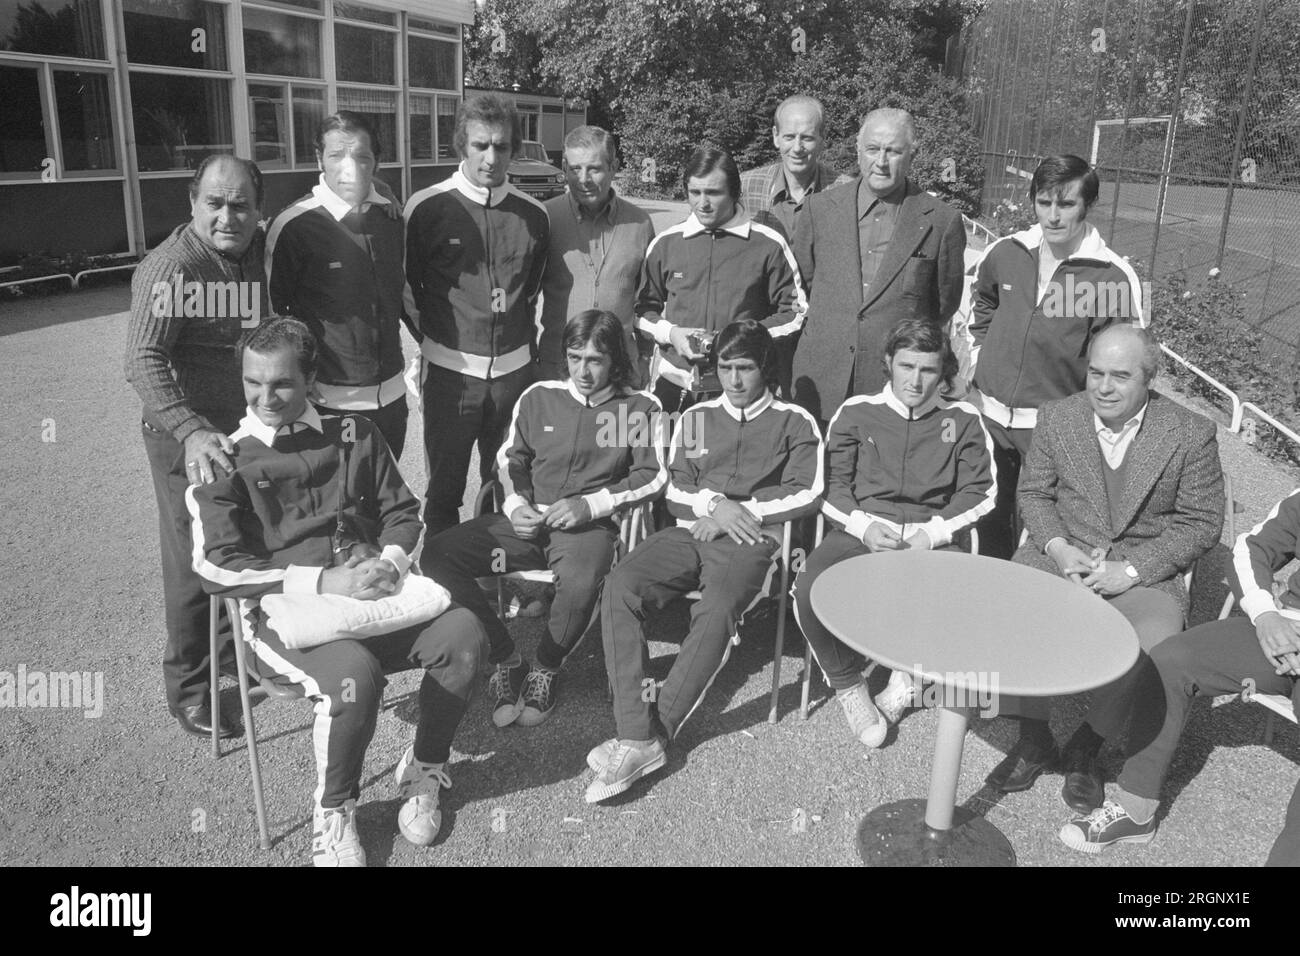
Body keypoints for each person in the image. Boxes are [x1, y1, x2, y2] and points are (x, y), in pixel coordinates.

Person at [187, 318, 488, 867]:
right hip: (283, 618)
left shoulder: (356, 433)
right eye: (253, 383)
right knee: (354, 676)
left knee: (464, 633)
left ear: (311, 379)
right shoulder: (224, 458)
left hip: (371, 599)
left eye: (280, 383)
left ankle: (423, 768)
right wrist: (324, 581)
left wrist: (390, 564)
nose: (265, 396)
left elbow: (402, 513)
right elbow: (215, 567)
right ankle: (335, 810)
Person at [584, 320, 823, 803]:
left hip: (754, 538)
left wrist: (743, 511)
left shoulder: (795, 420)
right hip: (694, 528)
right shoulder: (696, 417)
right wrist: (715, 506)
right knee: (622, 583)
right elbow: (676, 485)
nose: (734, 380)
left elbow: (809, 489)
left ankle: (659, 731)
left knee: (715, 608)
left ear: (765, 369)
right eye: (726, 368)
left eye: (746, 368)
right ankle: (635, 732)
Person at [987, 325, 1223, 815]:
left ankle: (1087, 747)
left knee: (1154, 641)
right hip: (1063, 555)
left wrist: (1132, 570)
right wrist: (1055, 546)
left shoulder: (1189, 433)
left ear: (1149, 379)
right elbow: (1034, 493)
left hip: (1143, 568)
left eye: (1120, 376)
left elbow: (1202, 523)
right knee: (1010, 606)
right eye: (1095, 372)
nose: (1103, 387)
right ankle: (1033, 739)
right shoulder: (1058, 417)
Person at [424, 311, 668, 728]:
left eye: (595, 359)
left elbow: (653, 475)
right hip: (527, 522)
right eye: (575, 358)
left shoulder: (640, 408)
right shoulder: (538, 396)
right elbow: (509, 457)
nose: (583, 371)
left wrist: (590, 505)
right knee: (437, 557)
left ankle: (545, 667)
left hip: (586, 529)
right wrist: (516, 503)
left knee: (580, 582)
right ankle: (506, 656)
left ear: (615, 360)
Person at [1058, 489, 1300, 859]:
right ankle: (1136, 811)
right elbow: (1249, 549)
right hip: (1284, 628)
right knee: (1171, 658)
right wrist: (1266, 616)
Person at [793, 319, 995, 747]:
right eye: (907, 367)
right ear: (888, 363)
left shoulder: (962, 420)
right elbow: (829, 486)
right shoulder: (856, 412)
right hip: (864, 530)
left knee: (956, 593)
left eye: (928, 370)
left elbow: (982, 492)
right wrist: (863, 526)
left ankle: (906, 680)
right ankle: (849, 685)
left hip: (931, 535)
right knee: (807, 588)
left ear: (943, 373)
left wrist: (935, 533)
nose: (916, 381)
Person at [125, 154, 270, 739]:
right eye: (215, 203)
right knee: (193, 560)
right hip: (184, 437)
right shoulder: (172, 269)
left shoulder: (256, 252)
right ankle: (188, 687)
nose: (228, 215)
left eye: (241, 204)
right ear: (192, 204)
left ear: (259, 211)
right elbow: (141, 359)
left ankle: (230, 654)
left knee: (240, 545)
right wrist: (189, 428)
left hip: (240, 433)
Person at [967, 154, 1146, 559]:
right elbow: (982, 305)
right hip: (989, 416)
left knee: (1040, 530)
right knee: (983, 515)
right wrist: (980, 359)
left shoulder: (1110, 276)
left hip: (1051, 428)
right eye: (1044, 202)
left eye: (1065, 204)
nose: (1052, 215)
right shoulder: (1006, 252)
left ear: (1087, 206)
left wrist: (1082, 418)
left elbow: (1122, 365)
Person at [405, 93, 549, 541]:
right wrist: (439, 342)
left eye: (501, 146)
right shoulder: (426, 207)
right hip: (451, 375)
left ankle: (496, 578)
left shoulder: (534, 215)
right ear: (461, 145)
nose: (491, 157)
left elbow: (533, 290)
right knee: (444, 489)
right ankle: (443, 578)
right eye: (480, 145)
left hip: (513, 375)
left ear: (514, 149)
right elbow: (407, 289)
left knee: (505, 483)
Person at [790, 108, 965, 424]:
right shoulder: (819, 210)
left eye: (893, 151)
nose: (881, 161)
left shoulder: (941, 221)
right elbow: (800, 290)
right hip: (820, 383)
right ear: (858, 152)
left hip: (893, 391)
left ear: (912, 155)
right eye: (872, 149)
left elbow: (944, 304)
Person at [265, 112, 412, 457]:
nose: (350, 168)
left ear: (377, 161)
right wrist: (292, 379)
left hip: (392, 397)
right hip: (328, 402)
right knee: (336, 506)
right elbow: (271, 317)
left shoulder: (391, 219)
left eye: (362, 157)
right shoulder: (293, 225)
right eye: (337, 156)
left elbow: (406, 296)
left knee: (387, 502)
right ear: (319, 159)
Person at [635, 147, 806, 405]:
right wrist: (671, 334)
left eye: (713, 193)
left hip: (742, 390)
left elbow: (796, 311)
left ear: (735, 193)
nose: (702, 203)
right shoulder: (666, 244)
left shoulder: (768, 244)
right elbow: (640, 310)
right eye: (695, 192)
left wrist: (742, 340)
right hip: (676, 387)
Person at [539, 126, 655, 385]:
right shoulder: (545, 219)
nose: (583, 179)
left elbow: (648, 300)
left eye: (594, 168)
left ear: (613, 167)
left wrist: (645, 358)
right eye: (574, 169)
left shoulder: (640, 224)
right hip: (558, 369)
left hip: (620, 370)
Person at [738, 94, 850, 239]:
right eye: (789, 137)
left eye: (807, 138)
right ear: (775, 136)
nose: (797, 148)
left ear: (822, 139)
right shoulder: (745, 188)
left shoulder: (846, 192)